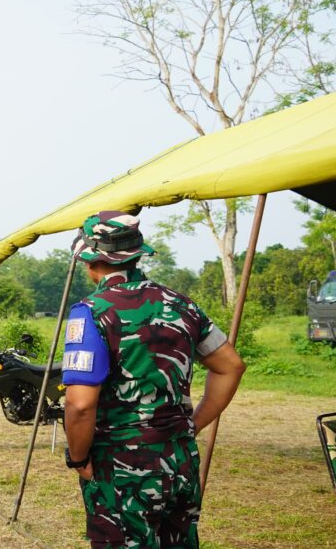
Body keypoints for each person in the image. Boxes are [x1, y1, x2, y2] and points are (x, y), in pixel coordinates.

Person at [61, 211, 246, 549]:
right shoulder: (182, 305)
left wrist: (78, 457)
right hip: (179, 461)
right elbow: (230, 365)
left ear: (90, 261)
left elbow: (80, 404)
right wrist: (193, 424)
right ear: (137, 253)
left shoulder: (91, 312)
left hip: (120, 467)